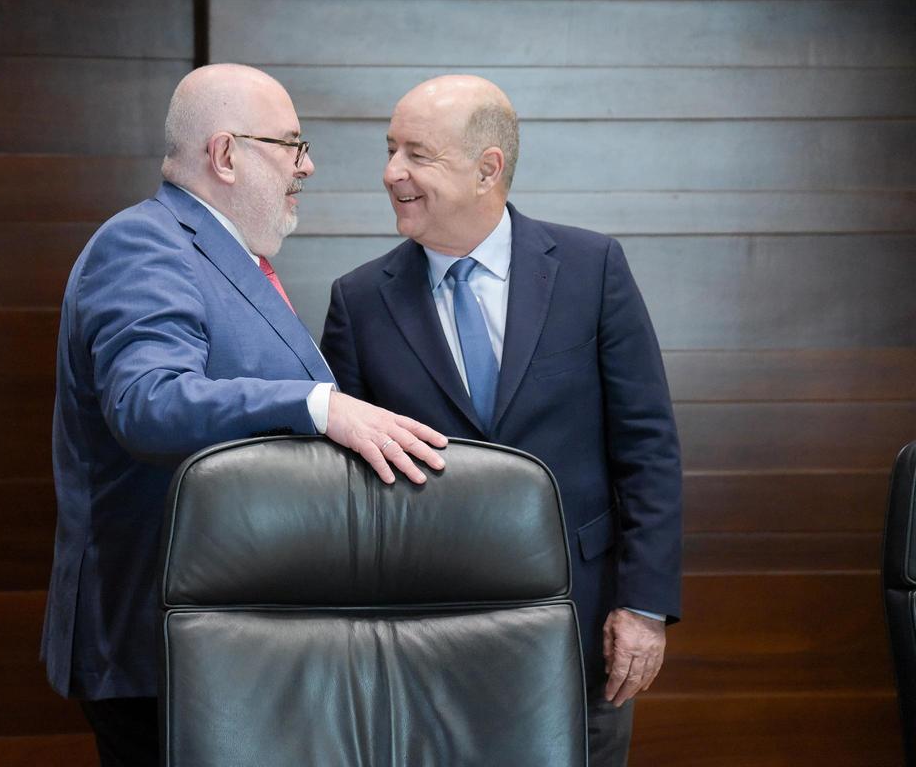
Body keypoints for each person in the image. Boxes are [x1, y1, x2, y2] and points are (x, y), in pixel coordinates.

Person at [42, 63, 448, 767]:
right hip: (164, 647)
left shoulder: (233, 258)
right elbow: (151, 404)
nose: (308, 165)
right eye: (292, 144)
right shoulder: (144, 244)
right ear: (227, 155)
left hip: (240, 640)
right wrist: (318, 405)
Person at [320, 75, 682, 767]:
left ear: (488, 168)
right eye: (390, 150)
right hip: (425, 642)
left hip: (581, 632)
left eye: (417, 154)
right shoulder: (359, 302)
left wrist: (643, 606)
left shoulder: (591, 268)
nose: (391, 173)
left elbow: (648, 448)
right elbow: (344, 494)